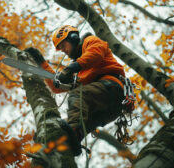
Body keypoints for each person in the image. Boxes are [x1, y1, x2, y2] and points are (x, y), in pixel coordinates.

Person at [25, 25, 131, 156]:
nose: (63, 51)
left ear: (73, 38)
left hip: (111, 87)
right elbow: (57, 86)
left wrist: (71, 68)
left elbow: (95, 54)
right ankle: (70, 143)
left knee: (77, 95)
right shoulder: (80, 72)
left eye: (63, 46)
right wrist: (42, 63)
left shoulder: (90, 41)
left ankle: (73, 132)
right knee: (78, 123)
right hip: (109, 110)